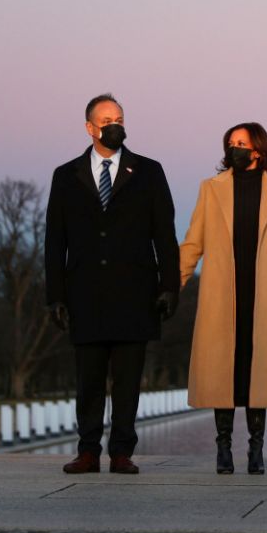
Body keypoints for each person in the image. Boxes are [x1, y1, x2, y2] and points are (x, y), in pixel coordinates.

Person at [45, 93, 180, 475]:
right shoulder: (66, 175)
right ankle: (87, 450)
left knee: (127, 380)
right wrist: (54, 294)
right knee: (87, 380)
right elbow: (54, 240)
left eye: (119, 117)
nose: (114, 124)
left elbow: (164, 234)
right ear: (90, 127)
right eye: (106, 119)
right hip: (84, 293)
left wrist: (169, 285)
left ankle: (122, 451)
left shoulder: (149, 171)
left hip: (134, 293)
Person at [180, 122, 267, 475]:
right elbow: (193, 243)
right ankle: (223, 448)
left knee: (256, 375)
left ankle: (256, 449)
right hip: (222, 293)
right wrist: (172, 283)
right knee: (224, 375)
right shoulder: (211, 188)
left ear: (259, 150)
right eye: (231, 143)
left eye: (242, 143)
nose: (235, 148)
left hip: (263, 294)